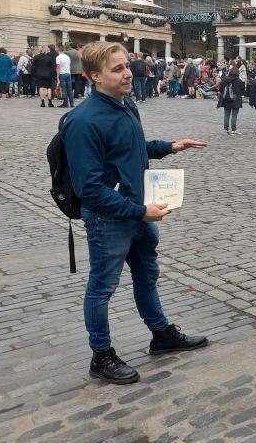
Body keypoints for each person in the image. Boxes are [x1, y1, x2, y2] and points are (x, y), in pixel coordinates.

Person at [62, 41, 208, 385]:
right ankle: (101, 355)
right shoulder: (82, 121)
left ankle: (161, 335)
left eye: (126, 65)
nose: (128, 73)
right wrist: (139, 211)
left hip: (139, 213)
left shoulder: (125, 105)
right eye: (117, 69)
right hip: (111, 220)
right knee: (102, 288)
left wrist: (169, 147)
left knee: (147, 277)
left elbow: (131, 149)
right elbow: (90, 190)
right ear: (94, 76)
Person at [218, 63, 245, 134]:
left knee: (226, 114)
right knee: (234, 114)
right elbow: (243, 90)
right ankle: (234, 129)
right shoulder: (239, 81)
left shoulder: (225, 79)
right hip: (235, 99)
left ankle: (226, 129)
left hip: (226, 99)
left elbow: (220, 88)